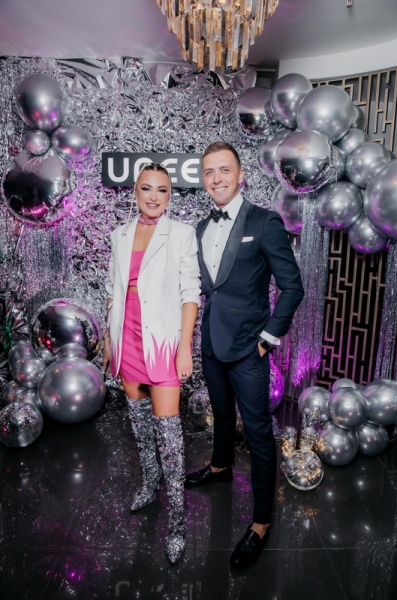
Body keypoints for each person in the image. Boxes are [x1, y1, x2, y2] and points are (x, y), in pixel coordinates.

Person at [185, 142, 304, 570]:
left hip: (250, 348)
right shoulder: (200, 228)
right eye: (209, 172)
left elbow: (292, 287)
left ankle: (260, 522)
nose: (216, 178)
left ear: (240, 176)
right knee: (220, 412)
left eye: (224, 170)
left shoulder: (265, 222)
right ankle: (219, 467)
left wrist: (269, 337)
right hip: (212, 344)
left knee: (257, 432)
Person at [103, 163, 201, 564]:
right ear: (135, 192)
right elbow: (112, 291)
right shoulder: (119, 234)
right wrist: (109, 341)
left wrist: (184, 347)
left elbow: (190, 293)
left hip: (161, 342)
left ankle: (176, 523)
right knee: (141, 428)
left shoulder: (181, 234)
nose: (154, 196)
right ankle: (148, 484)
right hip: (125, 338)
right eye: (147, 188)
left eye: (162, 190)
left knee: (170, 438)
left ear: (170, 195)